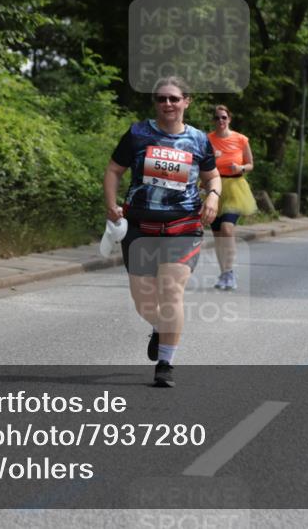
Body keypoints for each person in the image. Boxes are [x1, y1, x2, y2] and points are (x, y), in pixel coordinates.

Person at [103, 76, 220, 388]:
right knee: (144, 301)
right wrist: (111, 204)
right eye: (161, 98)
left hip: (183, 226)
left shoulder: (198, 139)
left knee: (171, 291)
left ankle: (165, 363)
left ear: (186, 101)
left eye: (174, 98)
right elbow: (114, 170)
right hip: (140, 227)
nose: (167, 103)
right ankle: (159, 327)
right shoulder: (138, 133)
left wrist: (213, 195)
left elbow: (212, 176)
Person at [207, 105, 256, 290]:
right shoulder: (207, 139)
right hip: (214, 187)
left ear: (229, 119)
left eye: (224, 117)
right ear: (213, 120)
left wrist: (241, 168)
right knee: (217, 234)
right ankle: (223, 273)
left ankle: (230, 272)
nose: (220, 121)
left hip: (235, 187)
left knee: (227, 229)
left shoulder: (241, 139)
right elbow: (201, 163)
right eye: (217, 118)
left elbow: (250, 164)